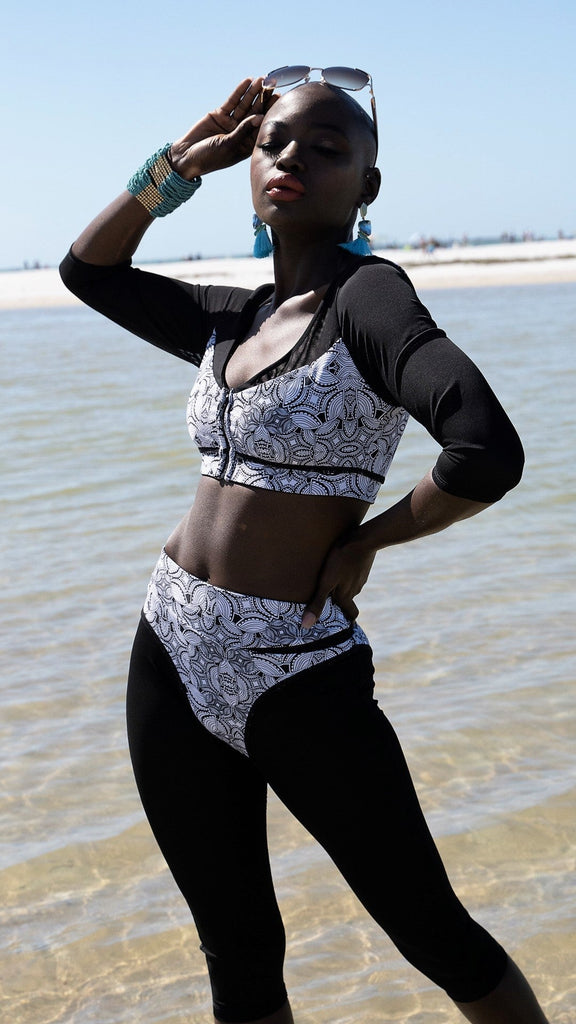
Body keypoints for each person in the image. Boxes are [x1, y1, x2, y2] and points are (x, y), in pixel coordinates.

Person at [60, 70, 551, 1024]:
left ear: (368, 186)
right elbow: (90, 273)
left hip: (296, 672)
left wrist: (372, 540)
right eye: (273, 142)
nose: (291, 158)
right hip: (170, 651)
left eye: (328, 150)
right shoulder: (234, 316)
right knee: (235, 949)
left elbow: (485, 449)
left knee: (431, 930)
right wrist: (183, 161)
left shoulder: (369, 300)